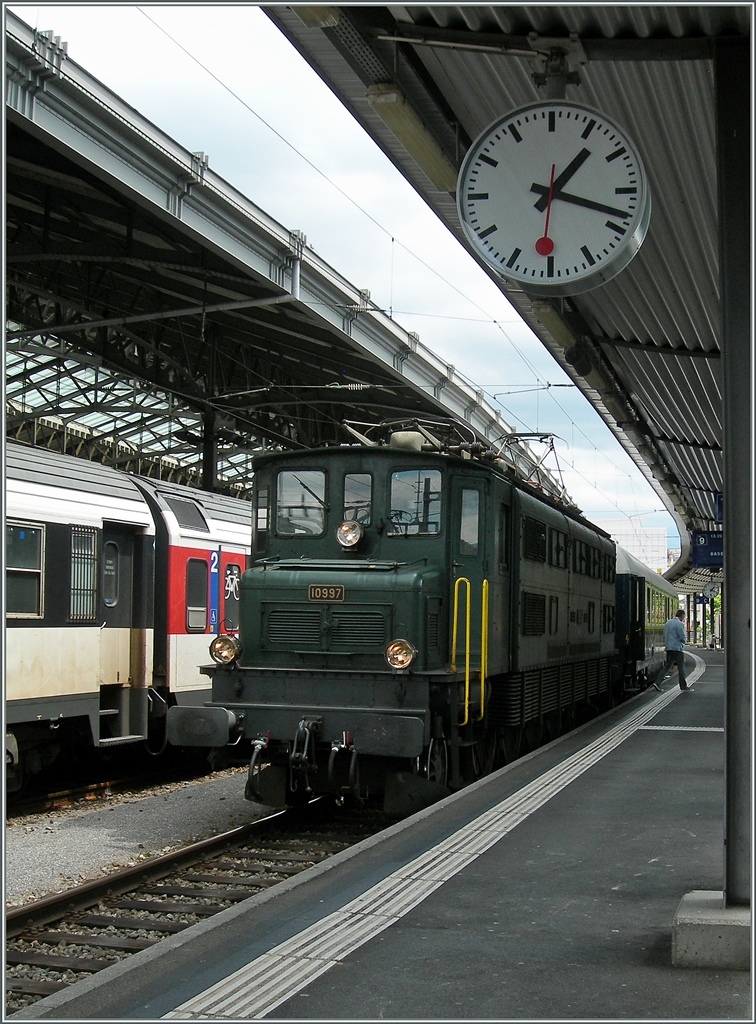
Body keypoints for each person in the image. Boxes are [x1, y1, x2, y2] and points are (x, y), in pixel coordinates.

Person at [651, 609, 692, 692]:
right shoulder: (680, 624)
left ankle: (657, 683)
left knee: (667, 666)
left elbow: (664, 634)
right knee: (681, 667)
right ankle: (683, 686)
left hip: (669, 648)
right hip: (677, 648)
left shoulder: (668, 623)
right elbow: (682, 636)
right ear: (682, 616)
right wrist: (684, 641)